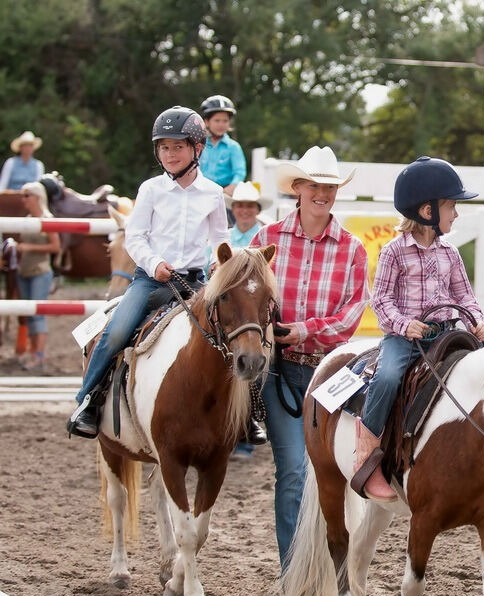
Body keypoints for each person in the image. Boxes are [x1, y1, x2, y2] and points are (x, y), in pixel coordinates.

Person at [67, 106, 228, 438]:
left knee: (231, 332)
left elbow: (220, 238)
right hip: (151, 281)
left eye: (178, 147)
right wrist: (155, 264)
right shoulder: (151, 190)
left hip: (195, 282)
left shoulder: (212, 194)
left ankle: (243, 415)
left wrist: (219, 259)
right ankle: (87, 403)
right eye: (164, 147)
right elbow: (135, 236)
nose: (170, 154)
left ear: (197, 148)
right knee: (116, 331)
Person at [250, 145, 368, 570]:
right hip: (280, 371)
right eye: (315, 185)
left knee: (335, 476)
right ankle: (293, 571)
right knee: (295, 473)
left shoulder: (352, 249)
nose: (322, 193)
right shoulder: (266, 240)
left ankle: (330, 564)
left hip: (328, 375)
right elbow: (246, 297)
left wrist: (304, 330)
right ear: (298, 188)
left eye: (330, 187)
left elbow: (351, 317)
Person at [356, 156, 484, 502]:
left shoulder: (450, 253)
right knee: (386, 378)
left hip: (447, 332)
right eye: (451, 206)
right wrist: (404, 324)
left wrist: (475, 321)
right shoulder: (394, 252)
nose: (456, 214)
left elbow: (465, 295)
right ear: (427, 210)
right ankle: (367, 454)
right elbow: (381, 300)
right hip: (406, 338)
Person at [225, 181, 272, 461]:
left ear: (256, 210)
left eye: (249, 206)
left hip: (251, 307)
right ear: (234, 209)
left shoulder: (261, 238)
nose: (244, 210)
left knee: (252, 351)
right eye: (240, 205)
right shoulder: (225, 236)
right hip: (230, 305)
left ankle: (248, 422)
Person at [15, 181, 60, 370]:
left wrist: (28, 247)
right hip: (24, 271)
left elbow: (56, 247)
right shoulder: (27, 219)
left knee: (38, 315)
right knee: (29, 314)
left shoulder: (47, 219)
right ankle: (34, 353)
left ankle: (39, 355)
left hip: (40, 272)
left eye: (27, 195)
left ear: (37, 197)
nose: (23, 199)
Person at [199, 95, 246, 197]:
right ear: (207, 122)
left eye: (225, 121)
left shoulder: (233, 147)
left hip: (224, 194)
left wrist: (232, 186)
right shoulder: (199, 145)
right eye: (217, 120)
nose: (221, 124)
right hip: (201, 192)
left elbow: (239, 172)